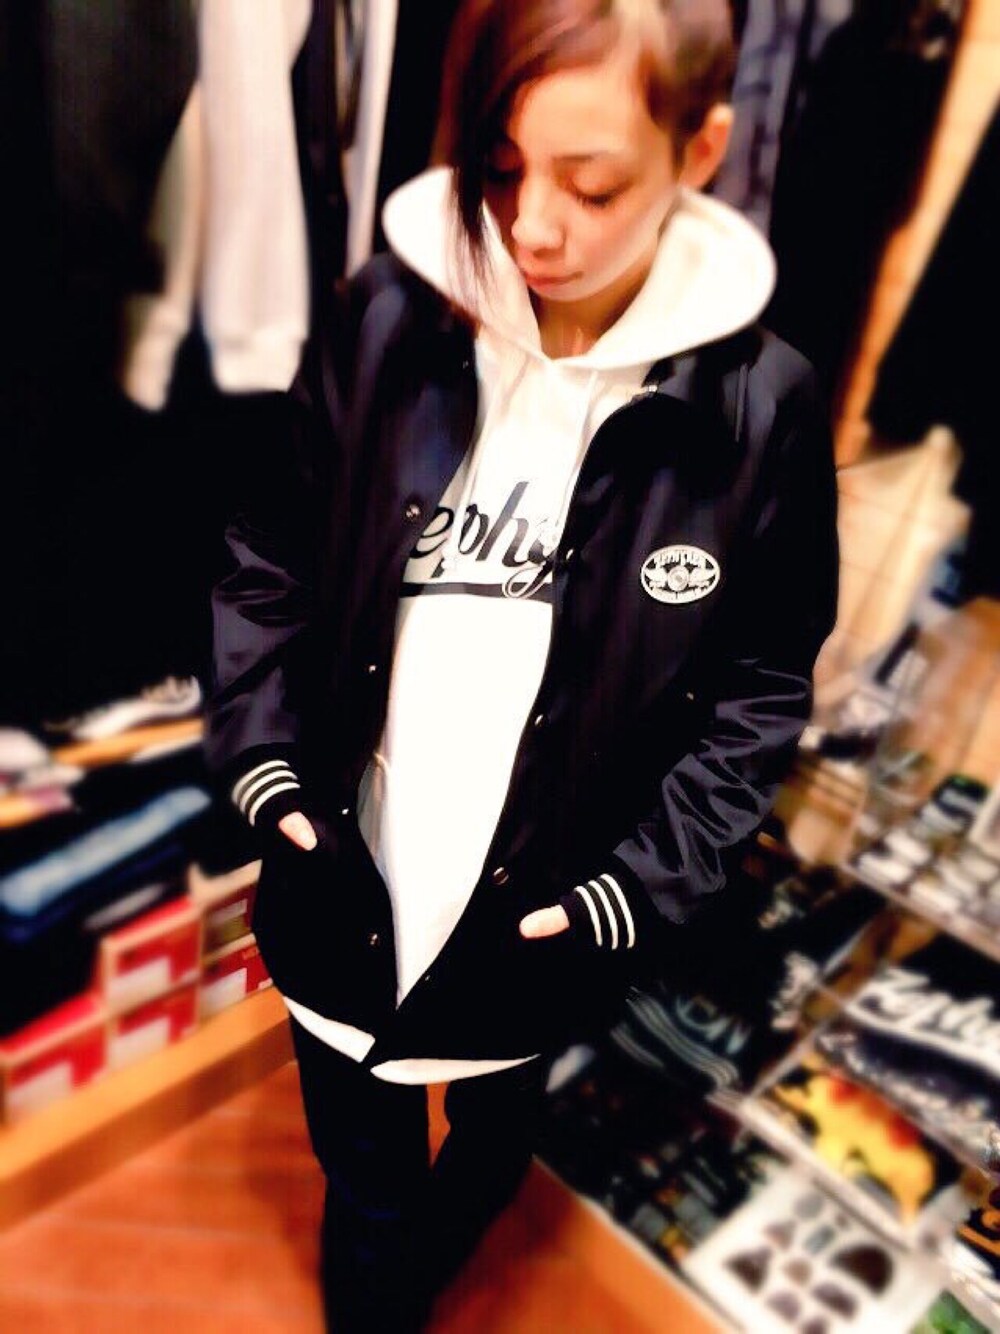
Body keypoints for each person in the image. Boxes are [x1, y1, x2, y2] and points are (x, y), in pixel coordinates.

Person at [206, 0, 839, 1327]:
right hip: (346, 878)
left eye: (591, 184)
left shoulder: (761, 406)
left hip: (546, 918)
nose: (534, 227)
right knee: (364, 1179)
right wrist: (264, 755)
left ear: (702, 148)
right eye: (499, 169)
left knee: (494, 1141)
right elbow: (269, 547)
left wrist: (639, 882)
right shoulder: (385, 319)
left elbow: (762, 682)